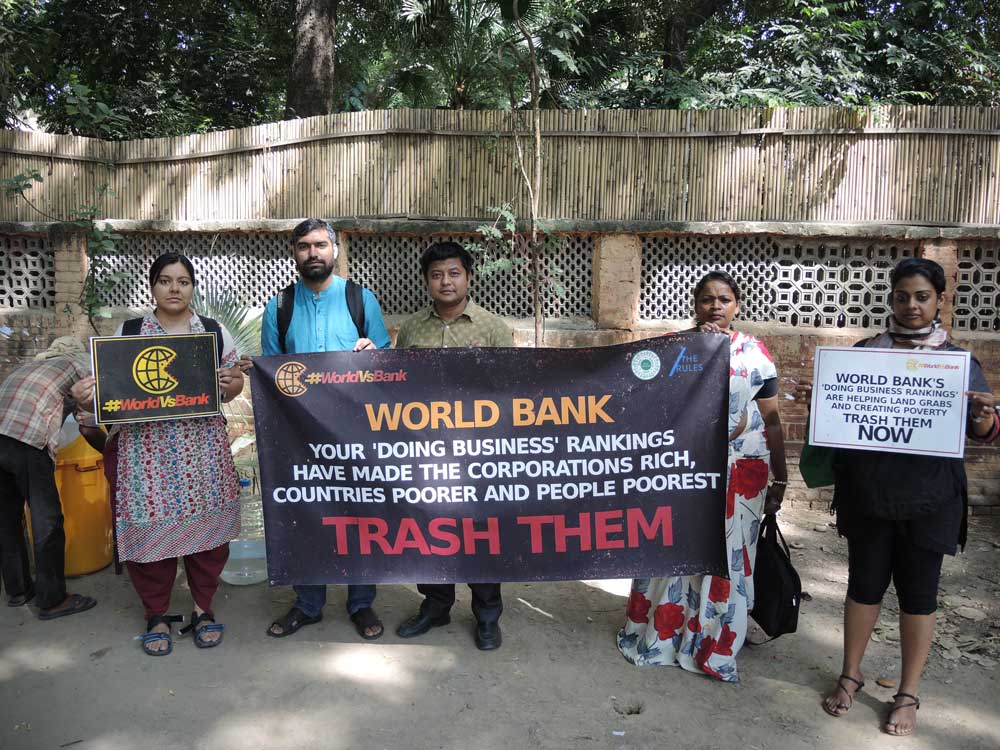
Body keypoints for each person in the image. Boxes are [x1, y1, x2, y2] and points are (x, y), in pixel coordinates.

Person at [802, 258, 998, 737]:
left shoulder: (958, 362)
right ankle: (850, 674)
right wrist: (824, 403)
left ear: (939, 300)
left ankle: (907, 693)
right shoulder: (865, 355)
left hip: (931, 499)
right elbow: (839, 422)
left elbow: (987, 431)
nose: (911, 305)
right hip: (869, 494)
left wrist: (980, 416)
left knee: (919, 596)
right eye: (902, 296)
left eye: (922, 296)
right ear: (890, 299)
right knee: (863, 586)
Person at [617, 270, 788, 681]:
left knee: (727, 555)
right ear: (696, 304)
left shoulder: (754, 354)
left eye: (724, 299)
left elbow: (773, 420)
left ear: (737, 305)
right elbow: (653, 409)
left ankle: (715, 641)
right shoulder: (676, 351)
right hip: (684, 470)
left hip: (741, 474)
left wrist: (780, 478)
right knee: (677, 546)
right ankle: (665, 635)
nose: (716, 306)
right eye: (708, 299)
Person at [76, 253, 245, 655]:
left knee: (209, 537)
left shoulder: (213, 332)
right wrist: (90, 394)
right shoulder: (130, 331)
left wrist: (231, 382)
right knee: (149, 531)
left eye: (183, 281)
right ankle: (157, 614)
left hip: (200, 448)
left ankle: (204, 609)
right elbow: (110, 388)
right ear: (152, 286)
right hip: (145, 451)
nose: (174, 288)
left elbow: (234, 384)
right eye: (165, 280)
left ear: (192, 287)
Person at [255, 218, 391, 641]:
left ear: (335, 250)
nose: (312, 253)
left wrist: (374, 352)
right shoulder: (279, 307)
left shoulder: (359, 299)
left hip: (356, 434)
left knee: (359, 515)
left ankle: (361, 604)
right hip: (299, 435)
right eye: (303, 247)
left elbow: (386, 361)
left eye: (320, 245)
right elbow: (272, 373)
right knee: (305, 514)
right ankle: (308, 604)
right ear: (294, 253)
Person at [393, 241, 512, 650]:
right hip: (425, 450)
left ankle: (487, 615)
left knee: (481, 531)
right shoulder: (411, 328)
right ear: (427, 281)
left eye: (454, 273)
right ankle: (436, 606)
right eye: (437, 274)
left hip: (477, 452)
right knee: (431, 528)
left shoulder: (493, 327)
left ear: (469, 277)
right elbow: (396, 386)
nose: (446, 281)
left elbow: (510, 390)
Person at [0, 336, 97, 618]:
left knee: (7, 519)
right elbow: (89, 414)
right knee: (47, 521)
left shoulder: (24, 368)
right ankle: (53, 600)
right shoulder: (76, 366)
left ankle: (18, 591)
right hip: (27, 440)